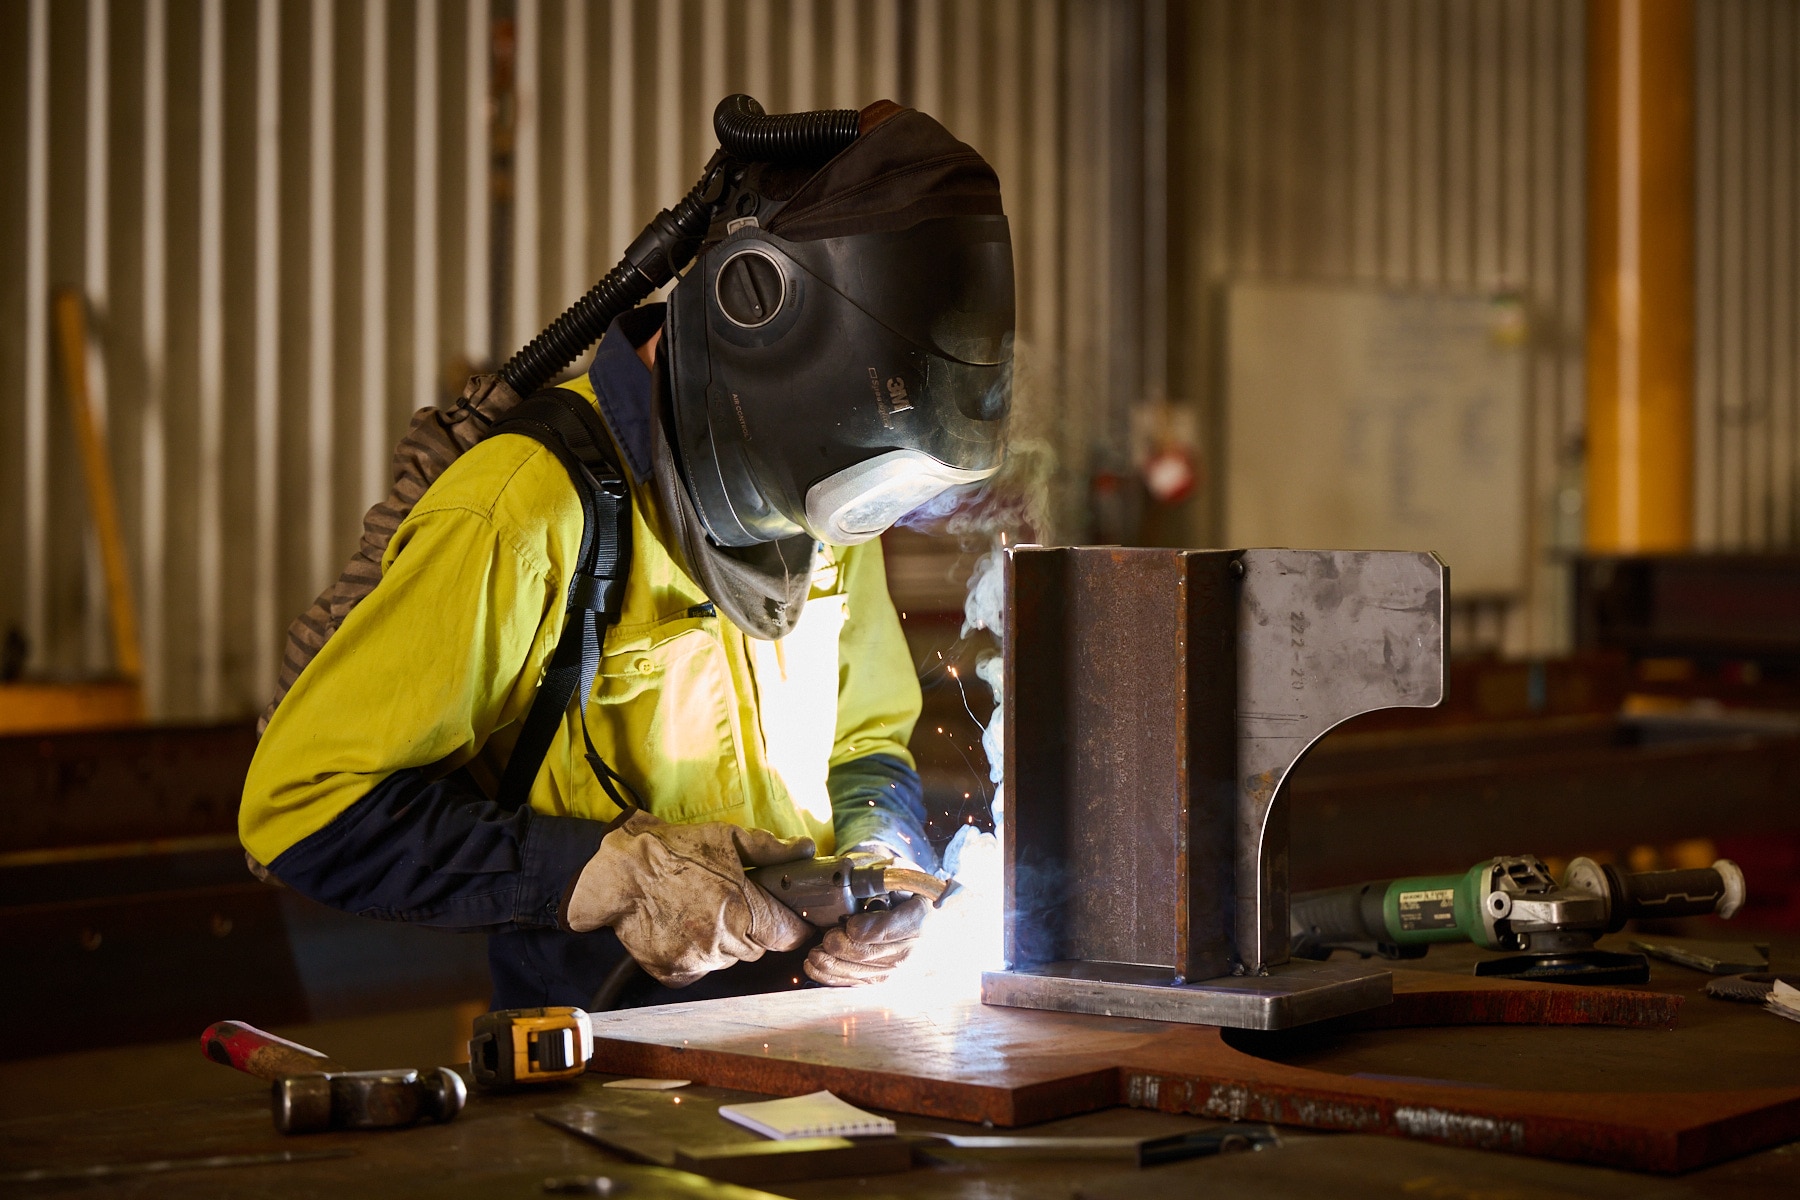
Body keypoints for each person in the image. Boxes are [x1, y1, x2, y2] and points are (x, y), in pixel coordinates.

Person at [238, 100, 1013, 1010]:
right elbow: (302, 806)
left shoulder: (819, 491)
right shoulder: (526, 510)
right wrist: (613, 872)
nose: (837, 521)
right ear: (753, 313)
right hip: (603, 1046)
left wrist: (884, 857)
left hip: (809, 1031)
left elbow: (865, 739)